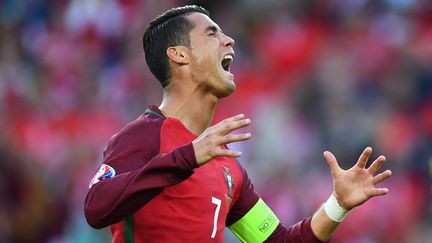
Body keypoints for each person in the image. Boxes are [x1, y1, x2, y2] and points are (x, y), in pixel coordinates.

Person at [84, 5, 392, 243]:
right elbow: (96, 208)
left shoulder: (226, 166)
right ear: (179, 55)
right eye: (211, 33)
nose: (229, 39)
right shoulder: (142, 136)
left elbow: (279, 241)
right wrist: (187, 157)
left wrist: (337, 205)